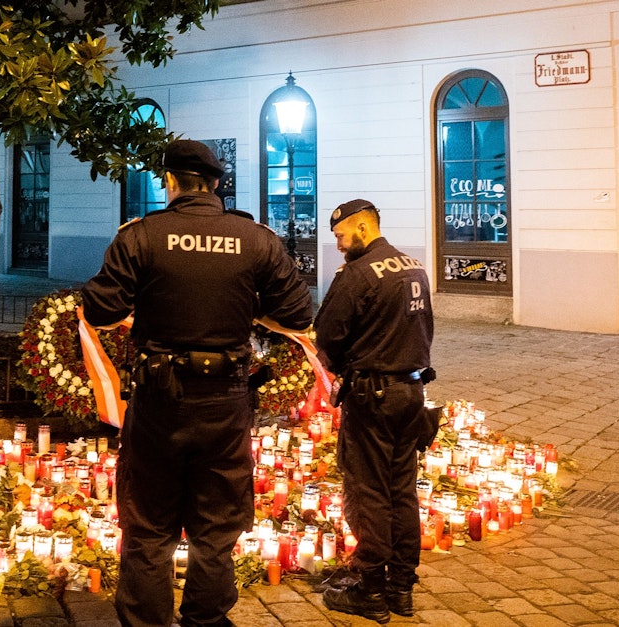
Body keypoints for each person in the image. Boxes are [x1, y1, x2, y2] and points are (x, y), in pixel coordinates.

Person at [81, 139, 314, 627]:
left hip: (159, 400)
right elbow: (297, 313)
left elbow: (100, 311)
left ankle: (147, 621)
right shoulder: (256, 239)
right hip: (225, 401)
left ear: (168, 181)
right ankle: (206, 620)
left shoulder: (141, 235)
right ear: (215, 183)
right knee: (216, 523)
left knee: (148, 523)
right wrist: (241, 304)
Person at [313, 199, 437, 623]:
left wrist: (344, 364)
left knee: (368, 491)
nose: (339, 243)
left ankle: (369, 587)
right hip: (411, 392)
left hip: (372, 397)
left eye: (341, 234)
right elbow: (427, 329)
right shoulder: (413, 266)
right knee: (401, 491)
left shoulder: (357, 274)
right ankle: (401, 587)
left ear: (364, 227)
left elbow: (327, 335)